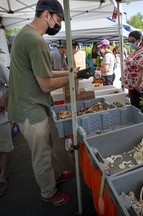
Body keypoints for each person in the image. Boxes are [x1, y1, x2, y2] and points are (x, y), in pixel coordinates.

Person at [7, 0, 94, 206]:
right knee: (42, 155)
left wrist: (73, 71)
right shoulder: (36, 41)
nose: (58, 25)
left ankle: (54, 176)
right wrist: (71, 78)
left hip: (28, 104)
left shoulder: (25, 34)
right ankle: (49, 192)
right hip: (31, 108)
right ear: (46, 14)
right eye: (58, 20)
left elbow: (44, 71)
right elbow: (46, 84)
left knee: (47, 146)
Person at [123, 31, 143, 109]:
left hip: (138, 86)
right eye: (129, 41)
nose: (130, 43)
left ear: (139, 40)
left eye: (132, 41)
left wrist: (137, 85)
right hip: (132, 85)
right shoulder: (134, 51)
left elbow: (142, 70)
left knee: (138, 108)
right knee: (134, 107)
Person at [0, 62, 14, 198]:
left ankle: (2, 176)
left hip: (1, 117)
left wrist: (4, 98)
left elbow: (14, 84)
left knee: (5, 147)